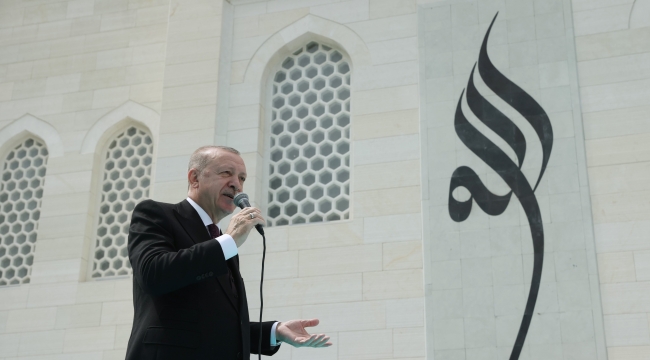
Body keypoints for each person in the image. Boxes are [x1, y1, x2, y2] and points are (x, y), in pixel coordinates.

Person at [125, 145, 331, 359]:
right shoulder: (156, 214)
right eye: (226, 173)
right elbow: (153, 274)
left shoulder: (221, 242)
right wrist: (228, 241)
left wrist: (274, 331)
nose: (237, 184)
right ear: (194, 178)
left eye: (242, 178)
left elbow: (216, 324)